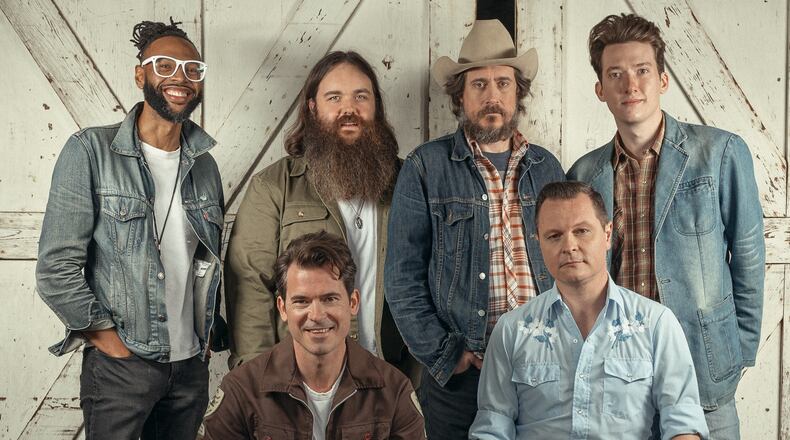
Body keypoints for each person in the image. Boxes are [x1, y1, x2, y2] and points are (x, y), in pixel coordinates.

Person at [567, 13, 765, 438]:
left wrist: (736, 353)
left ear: (663, 80)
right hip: (618, 380)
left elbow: (749, 258)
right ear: (600, 89)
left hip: (702, 372)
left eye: (642, 70)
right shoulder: (584, 174)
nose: (630, 85)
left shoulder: (720, 153)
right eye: (615, 74)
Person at [35, 18, 226, 440]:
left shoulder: (205, 166)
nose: (180, 77)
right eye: (165, 65)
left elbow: (208, 264)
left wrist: (206, 339)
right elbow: (55, 268)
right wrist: (111, 344)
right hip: (122, 366)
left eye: (192, 69)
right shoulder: (90, 151)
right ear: (141, 75)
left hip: (190, 366)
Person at [384, 19, 565, 438]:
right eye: (479, 84)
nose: (492, 96)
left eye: (503, 83)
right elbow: (402, 279)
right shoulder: (426, 167)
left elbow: (572, 265)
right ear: (460, 96)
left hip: (544, 371)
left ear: (518, 93)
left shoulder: (547, 168)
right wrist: (449, 356)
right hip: (463, 380)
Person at [224, 51, 418, 382]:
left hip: (391, 376)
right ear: (313, 108)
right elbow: (250, 286)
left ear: (376, 106)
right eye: (334, 97)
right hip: (301, 377)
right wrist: (260, 380)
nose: (349, 109)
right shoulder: (274, 186)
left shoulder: (409, 182)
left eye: (361, 96)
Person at [470, 181, 708, 439]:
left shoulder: (656, 323)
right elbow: (492, 428)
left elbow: (683, 425)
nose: (569, 246)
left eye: (582, 231)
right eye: (554, 236)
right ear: (538, 242)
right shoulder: (511, 330)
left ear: (607, 235)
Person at [200, 232, 425, 439]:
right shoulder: (240, 391)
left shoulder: (394, 391)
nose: (316, 315)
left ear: (353, 303)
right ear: (283, 308)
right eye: (301, 301)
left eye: (330, 299)